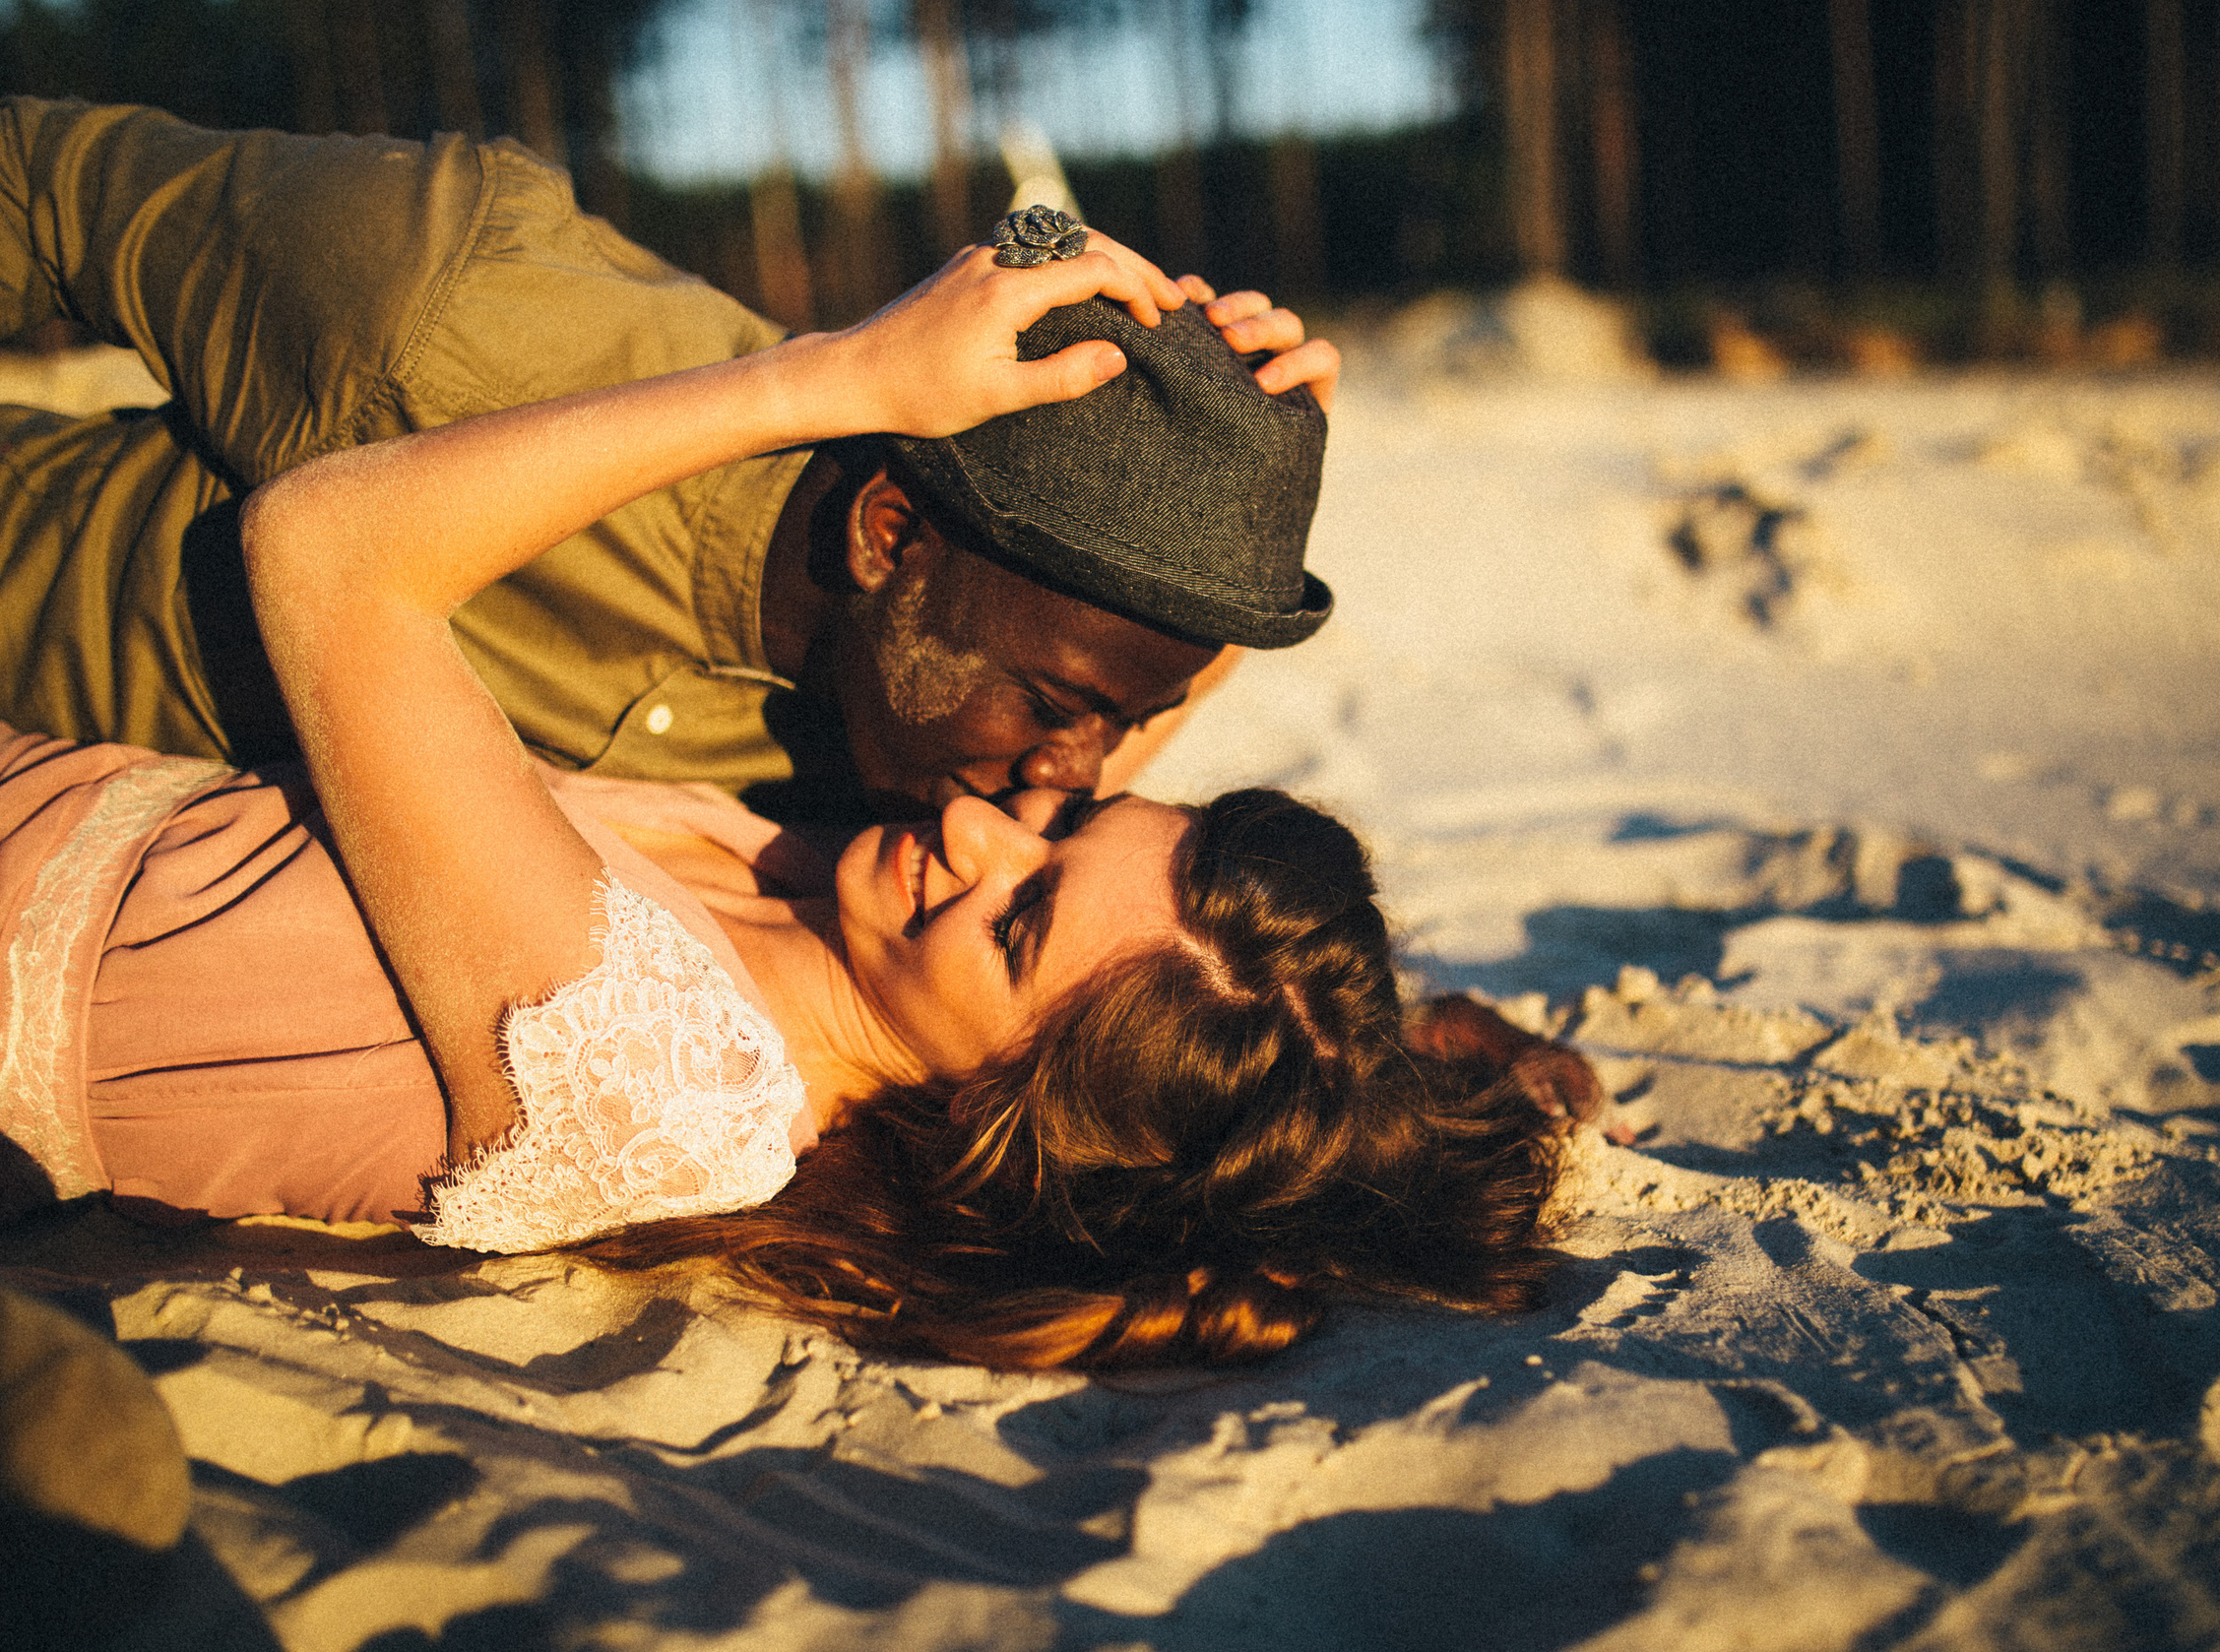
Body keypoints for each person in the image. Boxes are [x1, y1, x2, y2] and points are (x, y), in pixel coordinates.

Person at [0, 240, 1572, 1370]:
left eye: (1016, 914)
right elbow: (1153, 869)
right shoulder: (845, 899)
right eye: (1064, 829)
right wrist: (1228, 473)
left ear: (1001, 1108)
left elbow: (327, 556)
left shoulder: (663, 1076)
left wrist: (841, 378)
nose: (989, 824)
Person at [0, 96, 1341, 825]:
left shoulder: (924, 731)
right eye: (1054, 708)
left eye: (1122, 723)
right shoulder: (448, 304)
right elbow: (41, 188)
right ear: (887, 537)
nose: (1079, 775)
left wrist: (1226, 466)